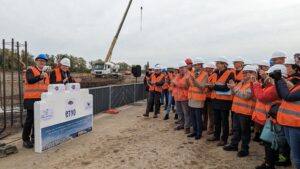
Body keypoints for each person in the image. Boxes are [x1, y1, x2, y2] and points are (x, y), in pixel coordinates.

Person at [223, 65, 257, 157]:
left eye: (248, 72)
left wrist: (233, 88)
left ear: (254, 73)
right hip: (237, 110)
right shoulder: (241, 83)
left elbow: (246, 96)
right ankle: (234, 145)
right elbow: (235, 93)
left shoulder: (254, 84)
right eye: (244, 72)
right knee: (236, 129)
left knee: (245, 132)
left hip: (245, 112)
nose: (245, 74)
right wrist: (231, 87)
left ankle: (244, 149)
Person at [274, 63, 300, 169]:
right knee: (295, 155)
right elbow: (284, 94)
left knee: (297, 157)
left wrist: (279, 80)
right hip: (289, 123)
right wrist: (278, 81)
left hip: (296, 125)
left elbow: (288, 96)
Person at [23, 54, 50, 148]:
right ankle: (25, 139)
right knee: (30, 120)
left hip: (42, 99)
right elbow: (30, 80)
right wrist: (40, 76)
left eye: (44, 61)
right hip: (31, 99)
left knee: (38, 120)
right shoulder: (30, 70)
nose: (42, 62)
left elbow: (47, 86)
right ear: (36, 61)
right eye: (40, 60)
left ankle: (35, 137)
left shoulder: (45, 73)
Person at [207, 56, 235, 146]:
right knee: (216, 120)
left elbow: (227, 87)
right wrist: (210, 86)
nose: (216, 64)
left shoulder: (230, 74)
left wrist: (213, 86)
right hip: (215, 100)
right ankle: (216, 135)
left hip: (224, 101)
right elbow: (211, 84)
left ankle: (224, 139)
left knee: (224, 121)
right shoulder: (215, 73)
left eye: (218, 63)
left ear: (224, 64)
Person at [186, 58, 208, 140]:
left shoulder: (205, 74)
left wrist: (194, 80)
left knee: (198, 118)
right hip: (191, 98)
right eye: (195, 65)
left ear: (201, 65)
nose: (196, 66)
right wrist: (187, 79)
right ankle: (194, 131)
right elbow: (188, 86)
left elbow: (202, 87)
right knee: (193, 117)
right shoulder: (191, 73)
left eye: (198, 65)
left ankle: (199, 133)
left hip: (199, 99)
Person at [173, 61, 190, 134]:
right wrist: (176, 83)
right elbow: (173, 82)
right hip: (177, 96)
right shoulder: (177, 75)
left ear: (186, 68)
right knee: (179, 112)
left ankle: (187, 127)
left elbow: (186, 85)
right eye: (180, 68)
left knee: (186, 113)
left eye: (183, 68)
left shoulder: (188, 75)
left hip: (184, 97)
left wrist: (177, 83)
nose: (181, 69)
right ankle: (181, 124)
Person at [204, 62, 217, 135]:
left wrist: (206, 85)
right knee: (205, 113)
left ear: (211, 68)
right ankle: (205, 125)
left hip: (211, 97)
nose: (206, 69)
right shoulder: (207, 75)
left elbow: (212, 85)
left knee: (211, 114)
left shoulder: (214, 75)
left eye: (207, 68)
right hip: (205, 96)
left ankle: (211, 128)